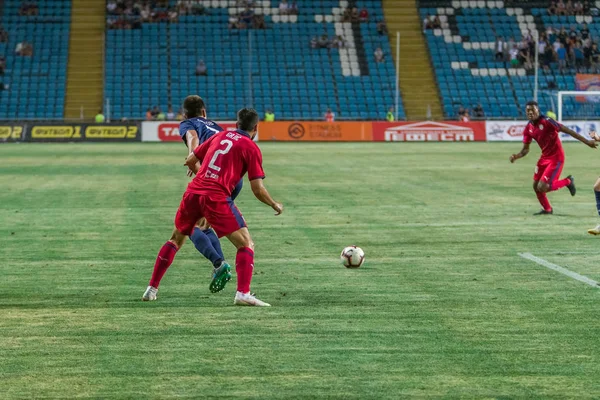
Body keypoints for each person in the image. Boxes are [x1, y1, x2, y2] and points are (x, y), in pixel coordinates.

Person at [143, 108, 283, 306]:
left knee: (175, 239)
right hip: (216, 197)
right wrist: (274, 203)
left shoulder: (222, 135)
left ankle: (151, 289)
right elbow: (258, 189)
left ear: (236, 124)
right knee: (246, 244)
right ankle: (243, 293)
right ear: (256, 128)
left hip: (193, 192)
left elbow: (190, 159)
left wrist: (204, 176)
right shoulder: (251, 147)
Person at [145, 95, 244, 296]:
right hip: (233, 180)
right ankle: (220, 266)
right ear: (204, 112)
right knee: (204, 224)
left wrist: (193, 156)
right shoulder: (217, 127)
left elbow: (192, 137)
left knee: (187, 228)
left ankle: (218, 264)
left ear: (184, 114)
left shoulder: (187, 123)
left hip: (212, 180)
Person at [509, 101, 597, 215]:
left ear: (538, 111)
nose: (530, 112)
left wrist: (587, 142)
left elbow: (568, 131)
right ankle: (547, 209)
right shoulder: (528, 128)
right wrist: (516, 156)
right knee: (536, 186)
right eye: (528, 111)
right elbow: (526, 149)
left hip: (556, 158)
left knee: (543, 187)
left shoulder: (547, 122)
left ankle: (568, 181)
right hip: (544, 158)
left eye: (533, 110)